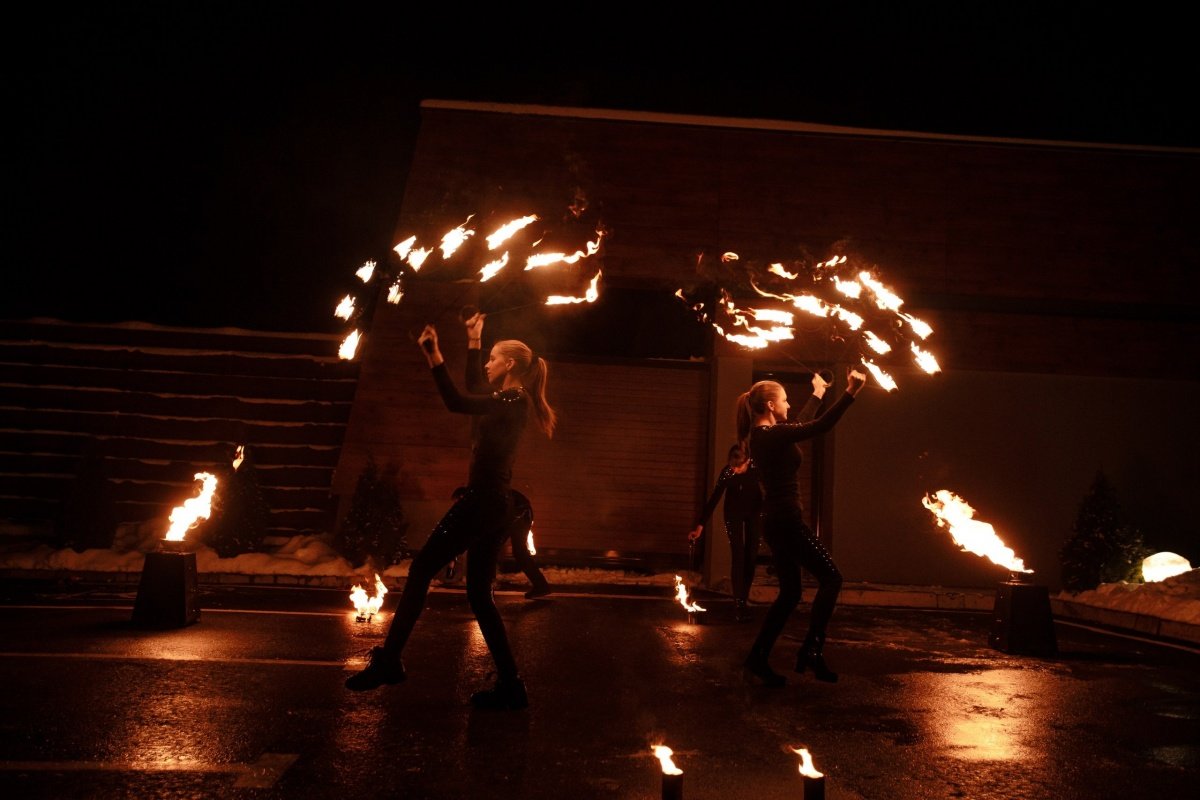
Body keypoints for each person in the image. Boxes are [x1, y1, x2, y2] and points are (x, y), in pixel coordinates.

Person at [345, 312, 557, 710]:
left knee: (422, 569)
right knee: (479, 594)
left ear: (510, 364)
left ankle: (389, 661)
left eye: (494, 358)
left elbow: (458, 400)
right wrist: (475, 341)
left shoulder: (511, 400)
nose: (489, 365)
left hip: (484, 503)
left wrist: (435, 357)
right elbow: (475, 387)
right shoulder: (509, 400)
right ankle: (511, 686)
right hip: (495, 503)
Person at [737, 368, 866, 687]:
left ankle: (758, 658)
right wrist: (851, 392)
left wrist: (819, 392)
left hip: (778, 521)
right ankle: (811, 651)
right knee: (832, 578)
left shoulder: (767, 435)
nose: (788, 405)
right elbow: (819, 426)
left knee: (791, 593)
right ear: (769, 405)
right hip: (786, 522)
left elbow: (800, 425)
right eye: (784, 400)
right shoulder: (769, 436)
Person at [688, 444, 764, 621]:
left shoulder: (756, 470)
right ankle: (738, 601)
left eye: (738, 467)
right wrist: (700, 526)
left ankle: (744, 597)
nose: (735, 470)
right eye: (732, 466)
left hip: (754, 512)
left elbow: (768, 492)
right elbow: (714, 498)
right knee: (738, 555)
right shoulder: (728, 473)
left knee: (751, 555)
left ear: (747, 461)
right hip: (733, 513)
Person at [509, 489, 553, 599]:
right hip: (519, 514)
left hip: (518, 515)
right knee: (519, 552)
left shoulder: (480, 495)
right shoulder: (486, 490)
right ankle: (541, 586)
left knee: (520, 552)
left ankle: (541, 586)